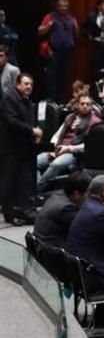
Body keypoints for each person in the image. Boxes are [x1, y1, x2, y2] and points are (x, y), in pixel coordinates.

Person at [36, 94, 101, 192]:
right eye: (82, 104)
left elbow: (90, 146)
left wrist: (69, 148)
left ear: (91, 106)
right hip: (58, 149)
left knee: (56, 164)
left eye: (88, 104)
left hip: (74, 153)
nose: (85, 106)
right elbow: (57, 135)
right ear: (77, 105)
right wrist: (53, 148)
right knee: (34, 161)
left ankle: (37, 190)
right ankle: (37, 186)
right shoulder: (70, 117)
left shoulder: (95, 122)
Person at [0, 73, 42, 225]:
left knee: (24, 180)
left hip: (24, 148)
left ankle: (26, 211)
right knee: (8, 181)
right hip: (10, 148)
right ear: (17, 85)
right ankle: (9, 214)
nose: (29, 86)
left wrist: (35, 132)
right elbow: (12, 122)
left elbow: (28, 122)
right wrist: (31, 131)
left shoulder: (27, 101)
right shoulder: (9, 99)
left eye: (31, 84)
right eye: (25, 84)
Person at [33, 171, 91, 248]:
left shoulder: (57, 195)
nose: (90, 196)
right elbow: (85, 232)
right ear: (76, 193)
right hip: (51, 252)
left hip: (41, 245)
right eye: (88, 192)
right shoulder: (67, 209)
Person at [37, 0, 79, 102]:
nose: (64, 8)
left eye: (66, 6)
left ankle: (61, 101)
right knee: (52, 77)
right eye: (62, 6)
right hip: (53, 52)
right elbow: (39, 31)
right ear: (57, 6)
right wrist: (48, 26)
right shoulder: (50, 16)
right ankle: (51, 100)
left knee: (63, 77)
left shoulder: (71, 18)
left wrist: (76, 29)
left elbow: (76, 35)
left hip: (67, 52)